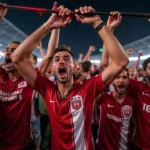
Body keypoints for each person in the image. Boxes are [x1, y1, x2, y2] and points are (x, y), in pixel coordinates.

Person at [12, 4, 129, 150]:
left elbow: (121, 62)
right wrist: (49, 25)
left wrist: (98, 23)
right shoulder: (46, 88)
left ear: (74, 67)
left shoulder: (88, 88)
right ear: (52, 68)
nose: (61, 61)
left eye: (67, 58)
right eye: (57, 59)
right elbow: (17, 57)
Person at [95, 69, 135, 149]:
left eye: (124, 77)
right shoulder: (103, 97)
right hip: (102, 147)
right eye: (117, 77)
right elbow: (93, 93)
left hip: (124, 147)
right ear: (112, 81)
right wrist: (96, 116)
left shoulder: (133, 100)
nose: (121, 80)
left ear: (128, 81)